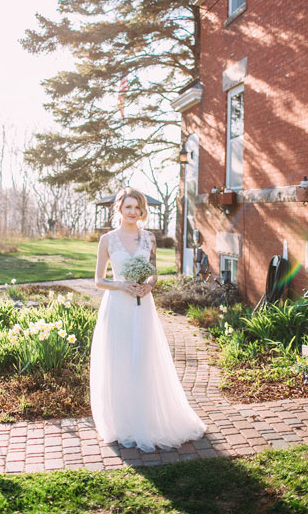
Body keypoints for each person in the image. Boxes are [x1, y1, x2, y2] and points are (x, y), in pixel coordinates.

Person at [90, 186, 207, 453]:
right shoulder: (107, 240)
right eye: (128, 207)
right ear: (119, 208)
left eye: (138, 208)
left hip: (143, 306)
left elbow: (153, 273)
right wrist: (122, 286)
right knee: (118, 361)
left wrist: (148, 285)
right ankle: (122, 424)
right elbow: (98, 281)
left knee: (142, 360)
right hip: (118, 306)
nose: (133, 212)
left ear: (143, 211)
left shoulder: (149, 239)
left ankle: (146, 420)